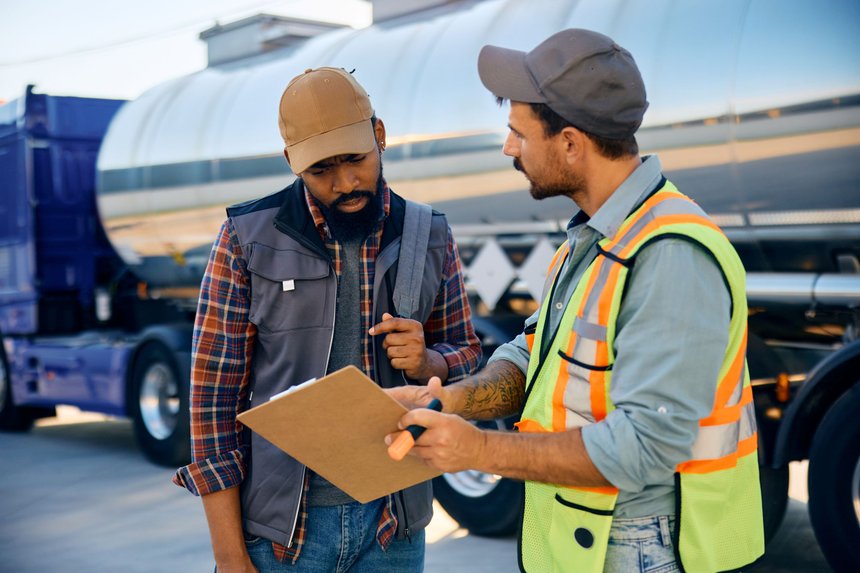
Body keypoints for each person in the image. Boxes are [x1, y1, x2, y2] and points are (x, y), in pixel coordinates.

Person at [387, 29, 765, 573]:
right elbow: (536, 360)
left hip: (648, 547)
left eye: (518, 133)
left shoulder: (668, 254)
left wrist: (478, 451)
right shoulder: (594, 239)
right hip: (599, 537)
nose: (508, 148)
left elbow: (644, 447)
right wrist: (447, 400)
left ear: (569, 143)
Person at [173, 67, 482, 573]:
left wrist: (430, 360)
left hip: (394, 527)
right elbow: (212, 403)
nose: (345, 183)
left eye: (356, 159)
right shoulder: (246, 238)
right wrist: (229, 556)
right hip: (282, 537)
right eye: (321, 170)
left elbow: (467, 356)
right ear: (293, 164)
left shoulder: (429, 233)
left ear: (379, 136)